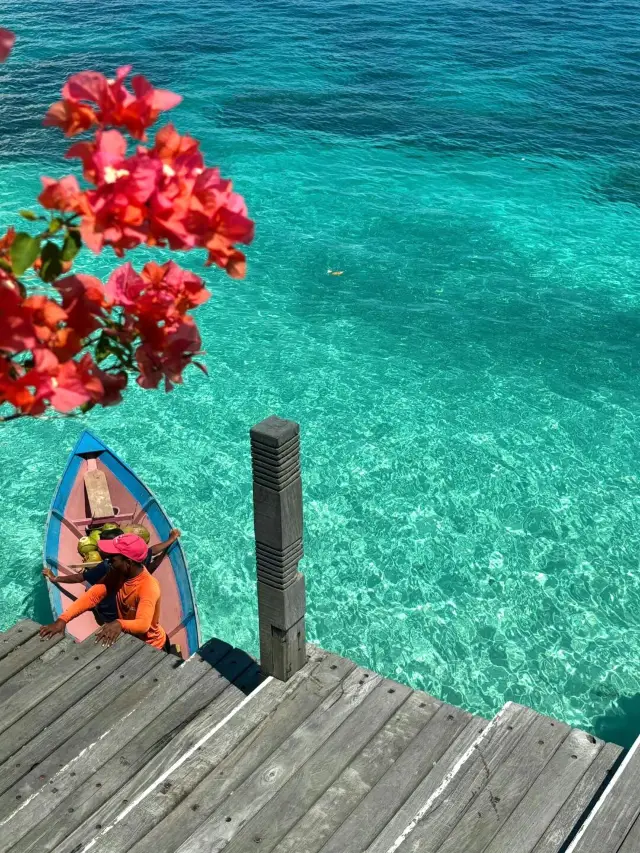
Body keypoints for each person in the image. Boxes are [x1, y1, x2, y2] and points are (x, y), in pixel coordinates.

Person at [40, 533, 168, 650]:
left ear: (128, 563)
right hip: (130, 639)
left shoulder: (148, 587)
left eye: (112, 558)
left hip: (153, 646)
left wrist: (119, 623)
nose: (108, 561)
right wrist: (63, 619)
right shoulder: (117, 574)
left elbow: (143, 625)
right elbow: (93, 596)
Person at [43, 527, 181, 624]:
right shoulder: (138, 559)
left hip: (110, 616)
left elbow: (80, 578)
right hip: (129, 613)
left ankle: (98, 613)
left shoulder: (107, 566)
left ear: (126, 560)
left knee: (89, 587)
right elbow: (151, 551)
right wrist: (170, 541)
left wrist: (55, 578)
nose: (101, 550)